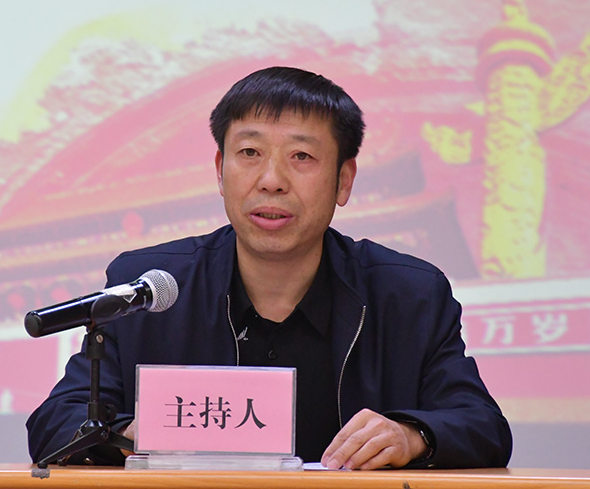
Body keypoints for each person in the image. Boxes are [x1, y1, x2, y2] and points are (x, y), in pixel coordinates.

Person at [26, 66, 512, 470]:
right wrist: (129, 435)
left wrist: (412, 435)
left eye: (301, 156)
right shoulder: (152, 289)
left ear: (344, 180)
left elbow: (483, 426)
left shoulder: (408, 294)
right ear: (220, 170)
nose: (272, 180)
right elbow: (55, 421)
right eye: (250, 153)